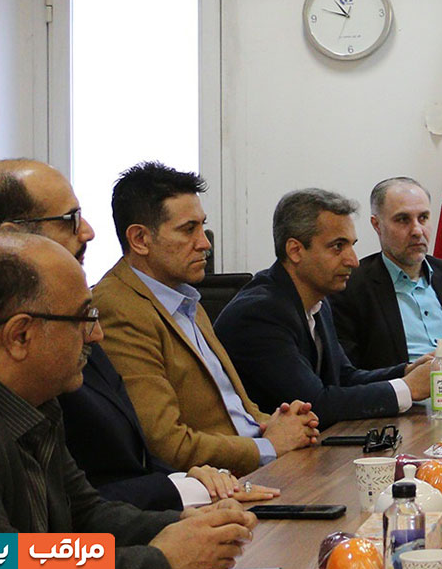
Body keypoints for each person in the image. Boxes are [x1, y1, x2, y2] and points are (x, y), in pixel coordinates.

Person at [0, 233, 258, 569]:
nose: (97, 334)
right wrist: (161, 564)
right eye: (84, 317)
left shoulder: (34, 396)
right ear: (20, 336)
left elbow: (84, 516)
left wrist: (181, 527)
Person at [0, 160, 275, 506]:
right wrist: (176, 519)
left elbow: (86, 506)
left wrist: (190, 490)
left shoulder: (42, 377)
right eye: (70, 220)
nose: (88, 232)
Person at [94, 161, 319, 479]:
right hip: (217, 486)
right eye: (188, 230)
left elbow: (236, 410)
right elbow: (165, 444)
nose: (205, 243)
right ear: (140, 239)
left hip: (252, 468)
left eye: (202, 226)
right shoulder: (118, 307)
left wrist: (282, 423)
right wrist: (268, 446)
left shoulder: (185, 297)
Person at [216, 189, 442, 424]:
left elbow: (343, 377)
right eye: (338, 246)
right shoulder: (259, 314)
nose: (353, 261)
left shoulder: (317, 301)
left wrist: (406, 372)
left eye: (352, 245)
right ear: (295, 250)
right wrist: (408, 388)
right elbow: (315, 404)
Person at [330, 177, 442, 373]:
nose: (417, 231)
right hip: (408, 391)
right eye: (403, 220)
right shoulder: (350, 286)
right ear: (377, 225)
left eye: (423, 218)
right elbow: (349, 374)